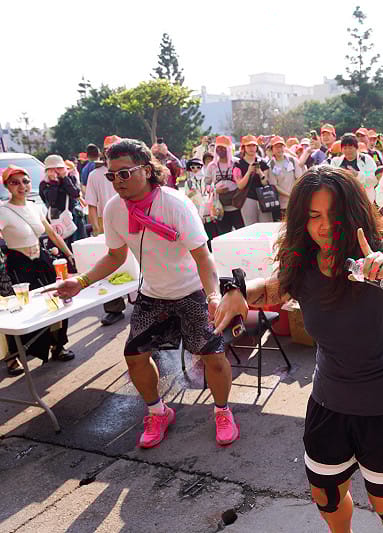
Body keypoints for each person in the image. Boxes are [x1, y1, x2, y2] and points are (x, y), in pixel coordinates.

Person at [213, 165, 383, 532]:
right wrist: (236, 291)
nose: (324, 226)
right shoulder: (304, 263)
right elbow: (270, 289)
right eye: (313, 216)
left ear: (354, 213)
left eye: (334, 215)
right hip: (330, 402)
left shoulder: (382, 256)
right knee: (325, 494)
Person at [51, 139, 238, 448]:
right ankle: (157, 411)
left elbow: (203, 256)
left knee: (213, 357)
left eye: (124, 173)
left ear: (148, 170)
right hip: (152, 295)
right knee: (135, 357)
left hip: (192, 292)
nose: (117, 181)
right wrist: (81, 282)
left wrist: (213, 296)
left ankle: (222, 411)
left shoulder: (175, 203)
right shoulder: (114, 209)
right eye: (112, 175)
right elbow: (115, 256)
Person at [1, 166, 77, 375]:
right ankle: (13, 357)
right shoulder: (3, 210)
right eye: (15, 182)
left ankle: (58, 344)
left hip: (42, 260)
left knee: (59, 299)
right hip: (18, 264)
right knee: (21, 307)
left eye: (25, 181)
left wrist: (69, 254)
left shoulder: (35, 207)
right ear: (7, 186)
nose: (22, 186)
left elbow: (51, 232)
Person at [86, 134, 126, 326]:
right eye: (108, 149)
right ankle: (114, 308)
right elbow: (91, 204)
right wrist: (95, 228)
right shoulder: (95, 175)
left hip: (133, 219)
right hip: (106, 224)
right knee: (111, 265)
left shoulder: (131, 170)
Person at [40, 154, 83, 247]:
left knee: (79, 246)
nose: (56, 171)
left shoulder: (70, 178)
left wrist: (65, 179)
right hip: (57, 221)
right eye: (52, 169)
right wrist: (54, 183)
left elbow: (75, 194)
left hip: (73, 217)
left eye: (59, 168)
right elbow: (51, 201)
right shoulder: (45, 184)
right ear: (47, 171)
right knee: (61, 249)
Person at [208, 136, 245, 235]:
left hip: (237, 206)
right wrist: (215, 189)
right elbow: (205, 186)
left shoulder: (237, 163)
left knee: (242, 233)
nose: (220, 150)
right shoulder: (212, 166)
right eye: (218, 148)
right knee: (223, 235)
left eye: (223, 148)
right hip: (220, 208)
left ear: (229, 149)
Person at [234, 135, 272, 225]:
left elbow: (265, 183)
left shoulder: (262, 163)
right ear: (244, 148)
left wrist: (260, 172)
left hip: (264, 197)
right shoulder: (238, 164)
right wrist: (249, 171)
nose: (251, 148)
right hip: (248, 198)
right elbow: (240, 185)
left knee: (266, 225)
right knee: (250, 226)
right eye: (248, 146)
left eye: (254, 145)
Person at [330, 133, 379, 203]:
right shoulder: (336, 162)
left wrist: (357, 175)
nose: (347, 151)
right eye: (345, 148)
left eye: (350, 148)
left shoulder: (366, 160)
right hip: (343, 201)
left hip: (363, 200)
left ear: (356, 148)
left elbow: (373, 179)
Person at [267, 136, 303, 220]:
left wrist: (294, 194)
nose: (280, 149)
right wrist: (288, 195)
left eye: (281, 146)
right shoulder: (271, 165)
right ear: (272, 149)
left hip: (296, 201)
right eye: (276, 147)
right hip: (282, 204)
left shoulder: (293, 160)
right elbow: (274, 185)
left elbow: (299, 178)